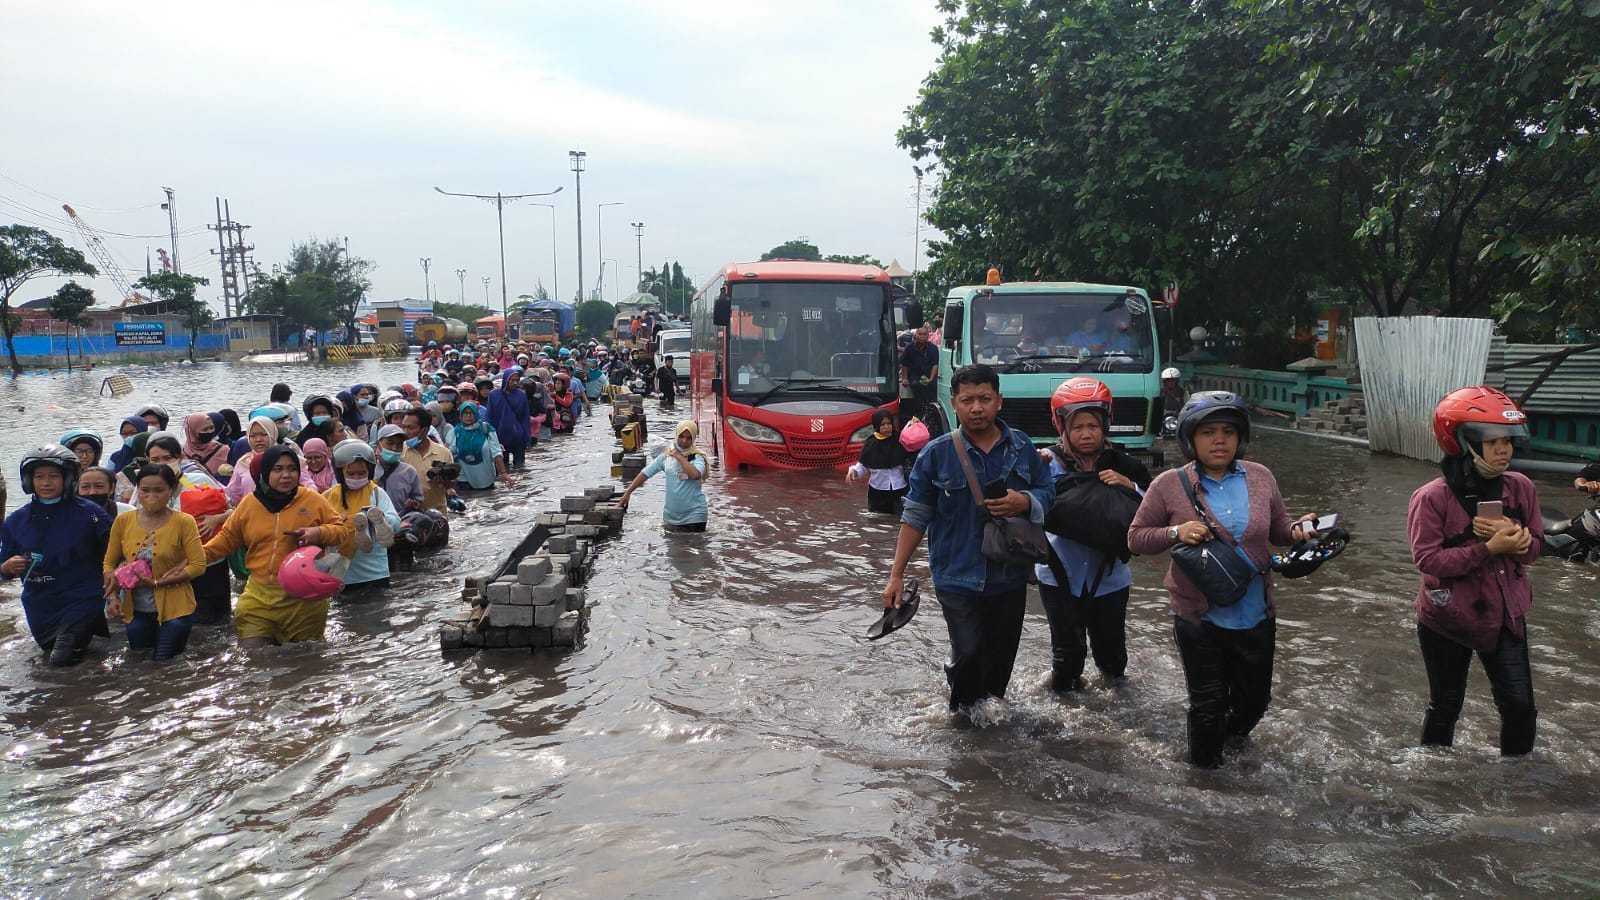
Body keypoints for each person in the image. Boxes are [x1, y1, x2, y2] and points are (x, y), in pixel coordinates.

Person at [1126, 391, 1318, 768]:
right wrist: (1175, 532)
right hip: (1199, 616)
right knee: (1207, 705)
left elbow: (1278, 529)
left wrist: (1299, 530)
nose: (1219, 440)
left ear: (1240, 437)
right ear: (1190, 439)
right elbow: (1135, 538)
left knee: (1255, 702)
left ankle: (1230, 748)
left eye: (1228, 432)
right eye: (1209, 432)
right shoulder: (1169, 484)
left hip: (1256, 612)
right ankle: (1203, 780)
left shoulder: (1260, 477)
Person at [882, 365, 1055, 713]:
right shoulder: (936, 453)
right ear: (954, 403)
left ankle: (990, 732)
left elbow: (1048, 491)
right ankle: (961, 725)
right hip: (956, 575)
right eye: (968, 400)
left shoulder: (1022, 447)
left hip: (1010, 573)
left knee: (1000, 664)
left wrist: (1025, 502)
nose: (977, 408)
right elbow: (916, 514)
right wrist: (896, 574)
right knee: (969, 653)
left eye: (985, 399)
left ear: (999, 401)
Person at [1408, 386, 1541, 756]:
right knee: (1446, 706)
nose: (1504, 450)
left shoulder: (1521, 489)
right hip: (1446, 619)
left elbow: (1535, 550)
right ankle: (1433, 781)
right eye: (1492, 441)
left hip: (1505, 616)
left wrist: (1519, 543)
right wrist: (1487, 549)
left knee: (1520, 708)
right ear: (1463, 441)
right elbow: (1428, 561)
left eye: (1507, 441)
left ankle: (1518, 786)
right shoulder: (1431, 497)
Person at [1035, 378, 1152, 693]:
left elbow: (1154, 513)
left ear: (1105, 426)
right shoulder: (1045, 464)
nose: (1086, 434)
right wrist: (1031, 464)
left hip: (1110, 578)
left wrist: (1130, 488)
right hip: (1058, 576)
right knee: (1066, 660)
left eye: (1093, 426)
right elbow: (1021, 502)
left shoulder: (1125, 466)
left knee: (1113, 660)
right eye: (1078, 427)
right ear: (1062, 427)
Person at [201, 446, 352, 647]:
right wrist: (192, 560)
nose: (286, 475)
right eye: (278, 469)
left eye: (292, 469)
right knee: (254, 656)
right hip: (259, 596)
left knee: (305, 661)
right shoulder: (249, 504)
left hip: (304, 599)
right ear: (264, 472)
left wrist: (317, 533)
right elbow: (225, 540)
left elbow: (342, 531)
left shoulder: (312, 499)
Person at [1, 446, 115, 666]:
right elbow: (3, 567)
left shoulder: (91, 514)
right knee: (57, 656)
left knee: (60, 659)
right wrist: (6, 567)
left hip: (83, 598)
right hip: (40, 603)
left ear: (69, 478)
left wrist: (113, 588)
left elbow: (114, 553)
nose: (46, 483)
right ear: (28, 481)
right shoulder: (16, 521)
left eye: (53, 476)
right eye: (39, 477)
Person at [102, 463, 206, 660]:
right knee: (139, 660)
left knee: (163, 661)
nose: (151, 496)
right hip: (135, 608)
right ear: (137, 491)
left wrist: (158, 583)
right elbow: (109, 562)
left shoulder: (184, 522)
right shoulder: (123, 521)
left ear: (172, 491)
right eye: (145, 490)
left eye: (159, 490)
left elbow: (198, 565)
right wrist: (113, 596)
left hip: (176, 608)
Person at [144, 434, 234, 624]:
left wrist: (216, 518)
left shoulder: (198, 481)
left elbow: (235, 511)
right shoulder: (145, 489)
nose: (162, 464)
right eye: (155, 460)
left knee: (216, 622)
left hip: (209, 563)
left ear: (179, 458)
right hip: (171, 568)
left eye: (167, 458)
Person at [324, 440, 399, 593]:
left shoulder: (376, 493)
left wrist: (383, 519)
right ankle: (360, 527)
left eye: (362, 473)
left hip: (375, 571)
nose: (356, 477)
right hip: (342, 572)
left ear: (369, 472)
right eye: (351, 474)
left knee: (377, 612)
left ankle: (372, 525)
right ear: (340, 473)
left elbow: (396, 522)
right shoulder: (328, 497)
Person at [618, 421, 709, 532]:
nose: (684, 441)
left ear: (693, 439)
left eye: (689, 438)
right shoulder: (666, 456)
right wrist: (628, 493)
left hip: (695, 517)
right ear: (676, 435)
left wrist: (679, 457)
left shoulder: (697, 457)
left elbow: (695, 475)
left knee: (693, 547)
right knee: (672, 547)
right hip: (671, 518)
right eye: (681, 436)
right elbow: (645, 473)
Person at [846, 409, 908, 514]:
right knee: (878, 520)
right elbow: (863, 466)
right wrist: (854, 471)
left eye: (889, 424)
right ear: (876, 425)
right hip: (878, 492)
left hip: (899, 490)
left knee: (899, 520)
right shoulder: (871, 444)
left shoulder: (900, 440)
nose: (886, 427)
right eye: (883, 424)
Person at [401, 408, 457, 513]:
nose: (405, 432)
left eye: (410, 428)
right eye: (403, 427)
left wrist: (444, 481)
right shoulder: (399, 453)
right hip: (408, 515)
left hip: (438, 515)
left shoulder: (443, 453)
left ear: (425, 430)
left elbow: (452, 485)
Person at [445, 401, 507, 490]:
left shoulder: (486, 429)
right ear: (460, 416)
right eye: (465, 413)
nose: (468, 416)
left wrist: (503, 473)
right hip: (463, 478)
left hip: (486, 476)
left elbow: (496, 453)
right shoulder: (454, 432)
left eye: (471, 413)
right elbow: (447, 454)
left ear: (476, 414)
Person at [486, 368, 532, 469]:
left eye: (517, 380)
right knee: (503, 467)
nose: (515, 383)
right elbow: (490, 416)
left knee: (520, 467)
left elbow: (525, 417)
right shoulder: (494, 395)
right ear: (506, 380)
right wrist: (489, 436)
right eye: (512, 380)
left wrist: (527, 437)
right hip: (500, 437)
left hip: (518, 437)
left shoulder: (521, 395)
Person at [374, 424, 425, 513]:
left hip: (402, 521)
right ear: (379, 444)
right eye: (390, 443)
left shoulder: (409, 472)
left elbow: (418, 499)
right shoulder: (369, 469)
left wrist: (413, 504)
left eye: (399, 444)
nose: (394, 448)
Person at [899, 326, 939, 421]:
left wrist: (931, 379)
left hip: (928, 377)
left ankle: (929, 413)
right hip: (915, 376)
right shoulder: (910, 348)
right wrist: (904, 378)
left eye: (924, 334)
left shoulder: (933, 348)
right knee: (917, 386)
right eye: (920, 334)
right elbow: (904, 364)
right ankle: (919, 413)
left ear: (928, 336)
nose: (922, 336)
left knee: (931, 389)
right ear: (916, 335)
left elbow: (935, 365)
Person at [182, 412, 229, 478]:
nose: (209, 432)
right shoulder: (181, 452)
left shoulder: (223, 450)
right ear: (193, 431)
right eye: (205, 429)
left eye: (211, 428)